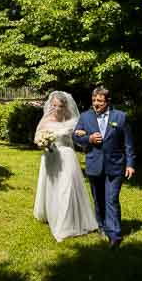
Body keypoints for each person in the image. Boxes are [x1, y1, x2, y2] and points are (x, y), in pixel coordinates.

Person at [72, 86, 136, 249]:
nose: (96, 104)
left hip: (115, 165)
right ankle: (101, 226)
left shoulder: (120, 117)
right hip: (94, 165)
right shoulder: (85, 117)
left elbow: (128, 143)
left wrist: (130, 164)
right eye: (94, 100)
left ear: (108, 101)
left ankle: (114, 235)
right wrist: (89, 139)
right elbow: (75, 136)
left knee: (111, 199)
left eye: (99, 101)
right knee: (99, 199)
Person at [33, 91, 98, 242]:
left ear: (65, 106)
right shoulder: (46, 120)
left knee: (67, 188)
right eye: (54, 105)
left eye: (60, 106)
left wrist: (85, 138)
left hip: (68, 157)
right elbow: (37, 139)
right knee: (53, 188)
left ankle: (67, 221)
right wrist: (43, 143)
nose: (56, 108)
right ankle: (52, 214)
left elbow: (79, 138)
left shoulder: (73, 119)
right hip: (51, 157)